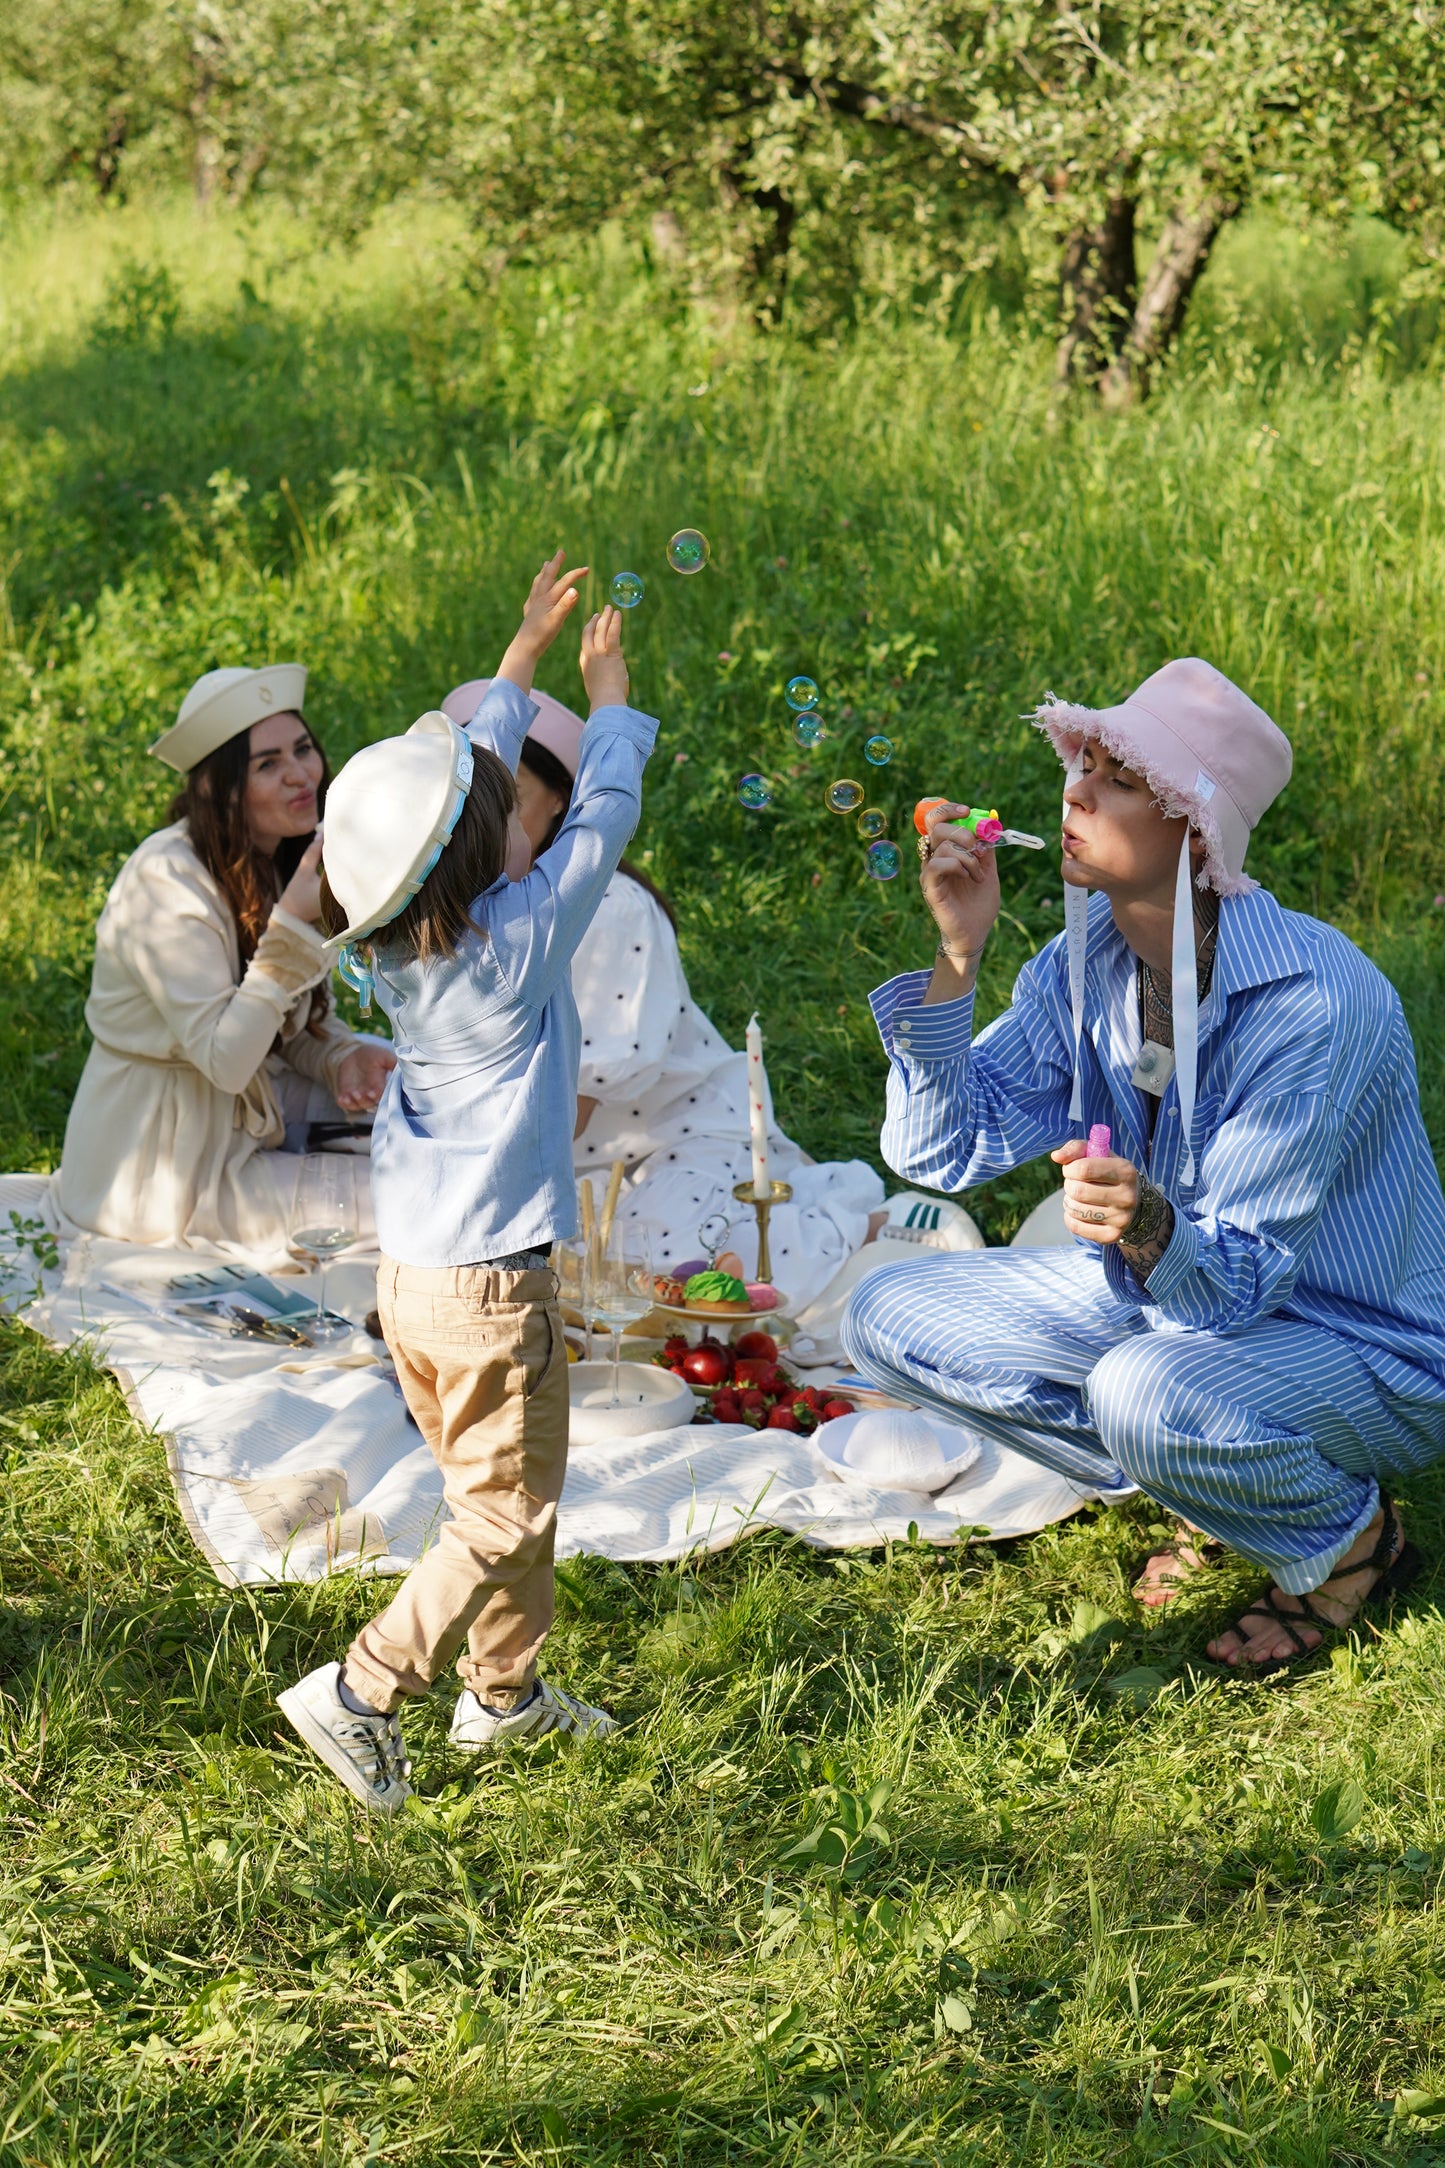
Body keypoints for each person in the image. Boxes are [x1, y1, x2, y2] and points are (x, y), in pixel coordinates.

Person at [842, 657, 1445, 1674]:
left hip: (1360, 1342)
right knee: (883, 1317)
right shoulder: (1086, 958)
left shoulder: (1311, 1004)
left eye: (1117, 779)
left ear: (1190, 829)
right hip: (1178, 1308)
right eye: (1081, 762)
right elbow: (941, 1149)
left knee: (1137, 1383)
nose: (1073, 789)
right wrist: (957, 958)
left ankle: (1350, 1542)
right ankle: (1211, 1474)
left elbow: (1241, 1286)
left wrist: (1143, 1221)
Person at [278, 557, 657, 1814]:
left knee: (510, 1493)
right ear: (478, 851)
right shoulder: (514, 944)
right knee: (496, 1514)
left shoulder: (404, 942)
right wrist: (604, 703)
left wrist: (518, 656)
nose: (517, 811)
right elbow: (598, 824)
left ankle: (504, 1692)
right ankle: (365, 1686)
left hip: (416, 1285)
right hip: (495, 1292)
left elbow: (447, 800)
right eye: (497, 805)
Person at [439, 679, 891, 1310]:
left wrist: (467, 1189)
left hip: (660, 1139)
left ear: (561, 805)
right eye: (469, 799)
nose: (484, 822)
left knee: (643, 1265)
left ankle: (863, 1229)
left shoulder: (608, 908)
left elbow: (573, 1106)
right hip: (549, 1159)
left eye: (509, 800)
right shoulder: (457, 907)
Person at [55, 664, 393, 1256]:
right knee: (410, 1201)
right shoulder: (165, 882)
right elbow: (227, 1060)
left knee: (419, 1089)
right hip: (161, 1166)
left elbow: (286, 1030)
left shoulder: (283, 857)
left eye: (303, 749)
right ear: (221, 788)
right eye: (268, 764)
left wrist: (339, 1057)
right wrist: (290, 925)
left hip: (248, 1109)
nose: (300, 775)